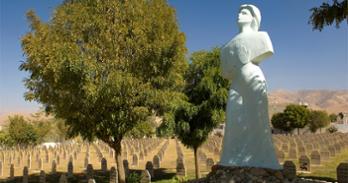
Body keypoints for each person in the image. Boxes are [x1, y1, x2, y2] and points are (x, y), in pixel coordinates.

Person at [219, 4, 281, 169]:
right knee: (233, 119)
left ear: (254, 18)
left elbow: (266, 50)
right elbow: (225, 71)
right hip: (236, 83)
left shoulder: (261, 37)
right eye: (239, 11)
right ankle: (232, 159)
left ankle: (264, 161)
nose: (239, 15)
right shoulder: (227, 46)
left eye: (244, 12)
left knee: (257, 120)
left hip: (253, 77)